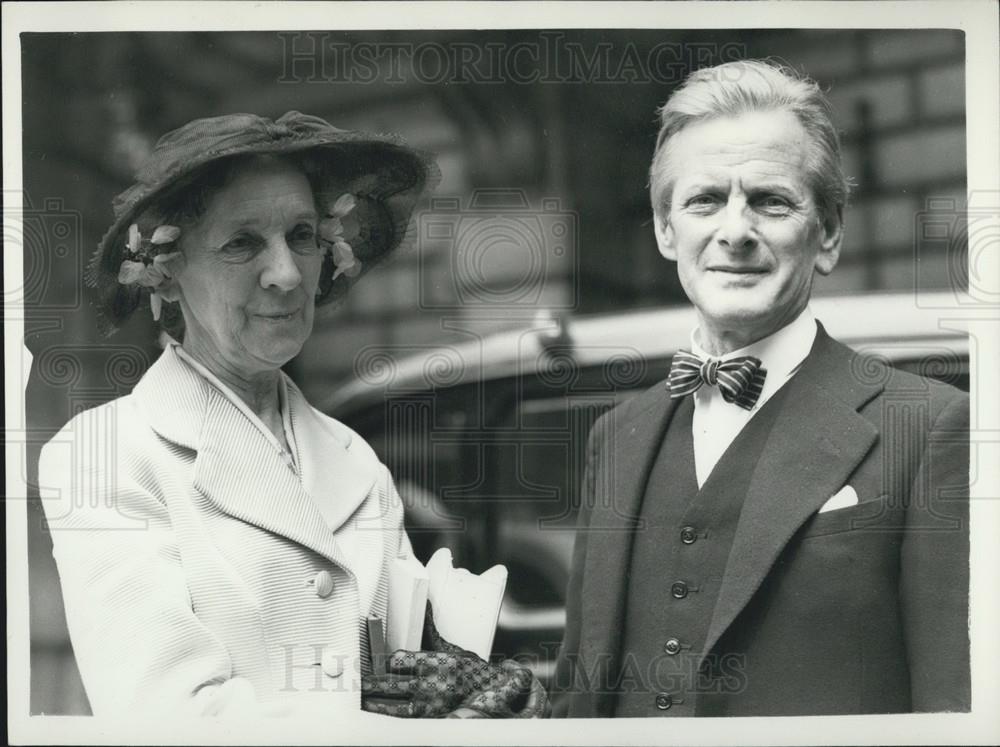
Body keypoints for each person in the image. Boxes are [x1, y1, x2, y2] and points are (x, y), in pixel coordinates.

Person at [39, 111, 547, 720]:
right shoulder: (107, 455)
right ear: (166, 276)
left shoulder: (354, 458)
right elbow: (171, 718)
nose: (285, 273)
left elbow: (408, 668)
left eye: (302, 235)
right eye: (242, 243)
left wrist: (481, 697)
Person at [552, 60, 970, 717]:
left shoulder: (931, 427)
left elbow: (954, 706)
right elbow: (579, 692)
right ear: (668, 230)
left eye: (771, 200)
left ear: (827, 234)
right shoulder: (617, 437)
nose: (735, 230)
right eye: (704, 200)